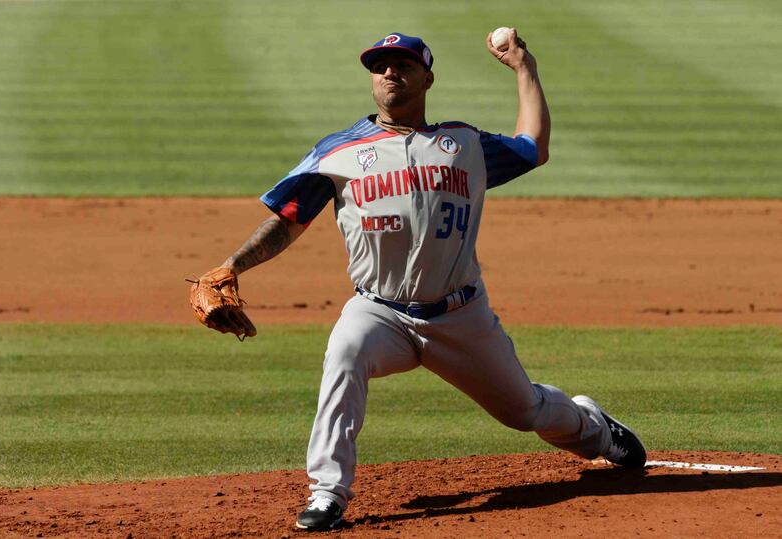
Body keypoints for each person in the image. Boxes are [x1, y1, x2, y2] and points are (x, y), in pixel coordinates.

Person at [204, 31, 646, 531]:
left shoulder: (464, 144)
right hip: (379, 312)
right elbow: (287, 218)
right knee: (344, 355)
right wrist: (231, 266)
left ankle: (594, 429)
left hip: (461, 315)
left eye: (403, 65)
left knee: (525, 411)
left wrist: (526, 69)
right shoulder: (338, 152)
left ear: (426, 78)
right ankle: (327, 493)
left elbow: (532, 147)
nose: (390, 73)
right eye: (381, 66)